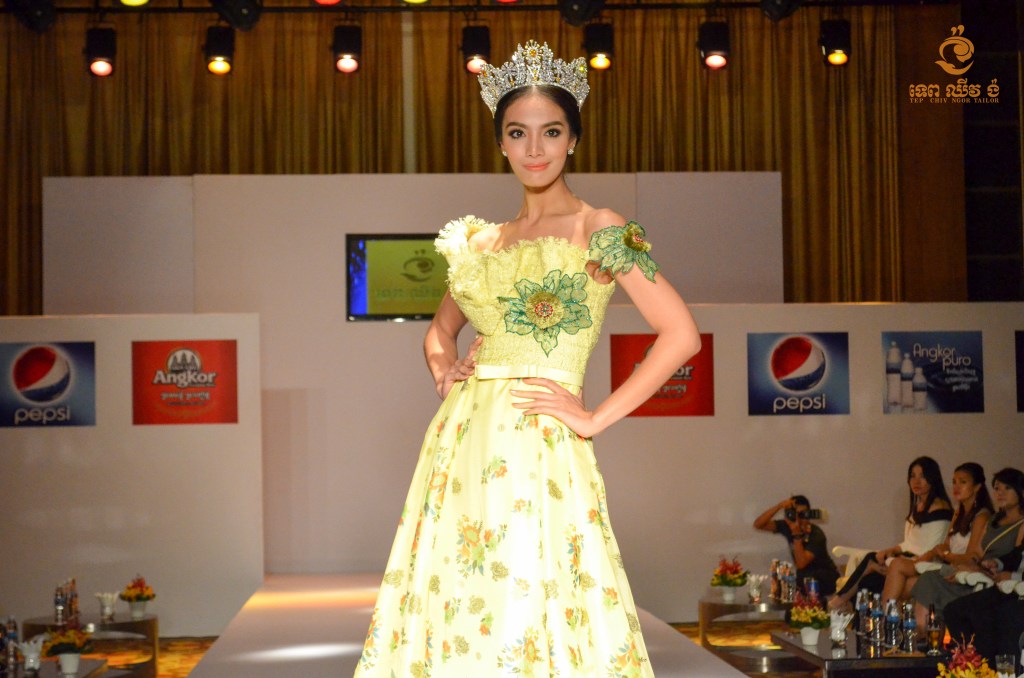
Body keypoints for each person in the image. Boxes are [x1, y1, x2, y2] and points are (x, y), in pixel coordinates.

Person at [354, 40, 701, 677]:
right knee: (464, 593)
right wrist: (445, 373)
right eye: (518, 133)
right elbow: (439, 332)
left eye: (551, 132)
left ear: (574, 140)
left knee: (534, 588)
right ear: (501, 143)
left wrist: (594, 418)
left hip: (542, 441)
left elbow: (680, 334)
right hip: (461, 443)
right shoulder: (481, 242)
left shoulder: (598, 227)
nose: (534, 149)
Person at [828, 456, 952, 611]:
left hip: (922, 563)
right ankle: (847, 607)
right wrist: (890, 551)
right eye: (912, 476)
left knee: (872, 564)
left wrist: (896, 559)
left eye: (922, 476)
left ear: (932, 478)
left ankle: (840, 602)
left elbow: (929, 548)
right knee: (870, 577)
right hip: (909, 558)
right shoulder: (919, 505)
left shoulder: (939, 508)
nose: (916, 481)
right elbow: (909, 543)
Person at [911, 467, 1024, 630]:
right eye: (997, 488)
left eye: (1007, 488)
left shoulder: (1020, 525)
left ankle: (926, 633)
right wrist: (969, 566)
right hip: (979, 569)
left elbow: (1016, 560)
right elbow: (977, 554)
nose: (1000, 493)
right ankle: (923, 633)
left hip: (994, 578)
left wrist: (978, 569)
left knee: (931, 581)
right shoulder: (993, 520)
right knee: (929, 578)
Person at [879, 462, 993, 602]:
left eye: (962, 482)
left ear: (977, 486)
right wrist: (932, 554)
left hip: (961, 572)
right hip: (947, 565)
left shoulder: (981, 516)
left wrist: (946, 555)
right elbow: (945, 545)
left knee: (905, 578)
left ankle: (886, 612)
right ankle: (886, 613)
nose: (956, 487)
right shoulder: (958, 512)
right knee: (898, 568)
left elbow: (971, 557)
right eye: (954, 482)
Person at [944, 540, 1024, 669]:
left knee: (1006, 614)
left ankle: (1003, 672)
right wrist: (997, 563)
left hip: (1018, 588)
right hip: (1010, 588)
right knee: (955, 610)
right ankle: (973, 667)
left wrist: (1014, 577)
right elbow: (1019, 553)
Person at [753, 495, 840, 596]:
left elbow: (801, 563)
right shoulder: (788, 526)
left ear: (808, 514)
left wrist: (796, 534)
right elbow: (758, 524)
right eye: (795, 514)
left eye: (802, 514)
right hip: (804, 580)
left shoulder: (816, 534)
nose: (798, 519)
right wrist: (779, 506)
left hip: (824, 580)